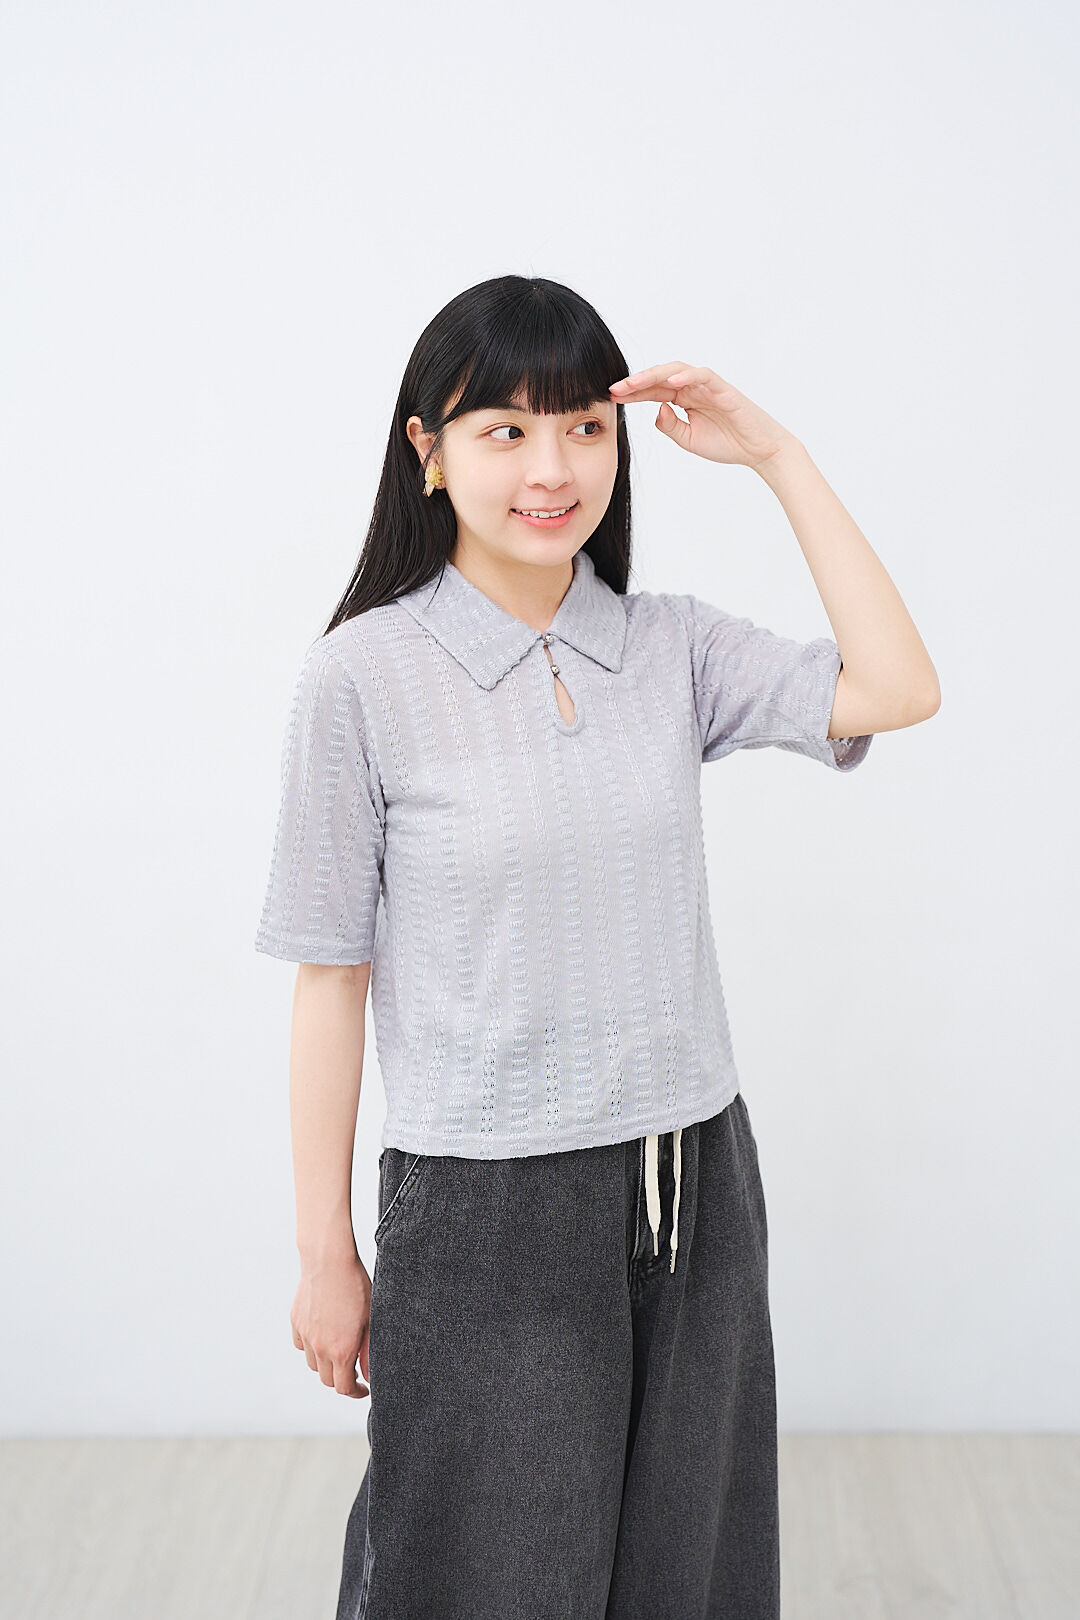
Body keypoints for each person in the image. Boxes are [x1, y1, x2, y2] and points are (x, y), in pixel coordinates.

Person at [253, 274, 940, 1620]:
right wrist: (325, 1250)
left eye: (584, 427)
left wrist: (779, 459)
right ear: (428, 451)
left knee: (693, 1572)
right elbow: (330, 976)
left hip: (694, 1182)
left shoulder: (668, 647)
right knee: (476, 1575)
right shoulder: (362, 679)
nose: (552, 469)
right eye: (504, 430)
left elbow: (898, 687)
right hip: (485, 1208)